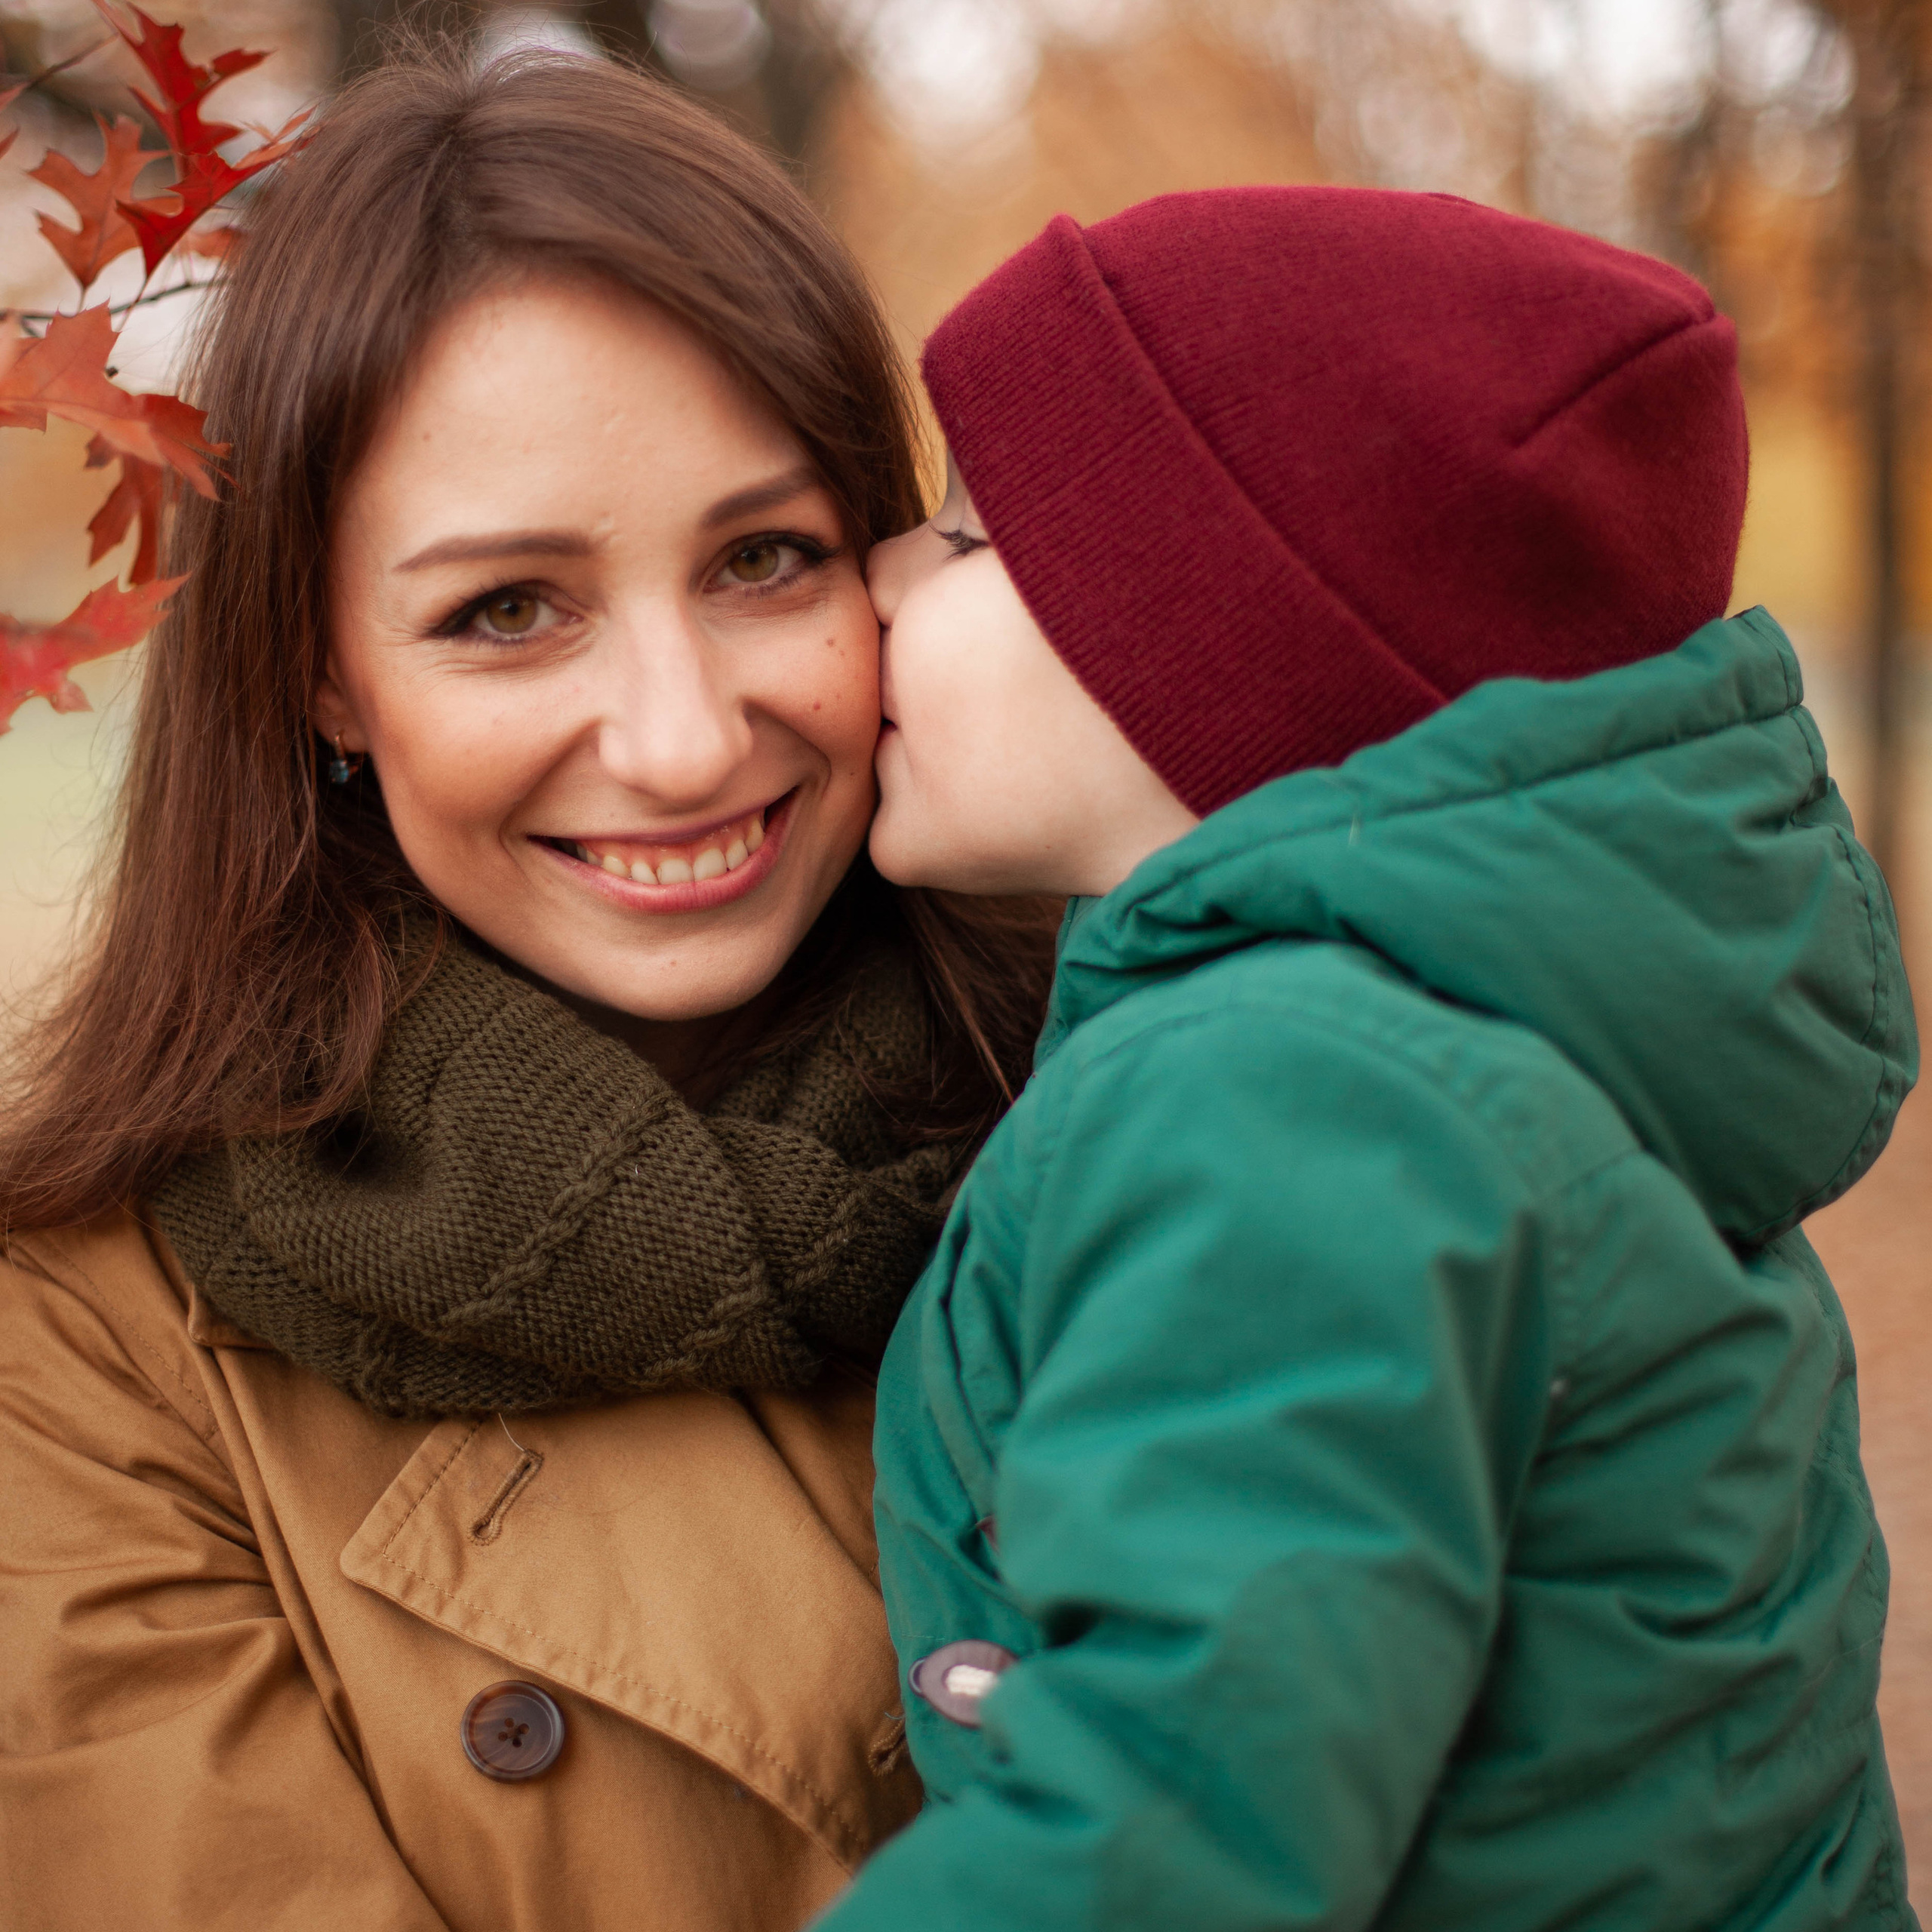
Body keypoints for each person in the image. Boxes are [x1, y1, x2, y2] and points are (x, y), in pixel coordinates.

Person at [0, 51, 1054, 1930]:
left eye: (763, 559)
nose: (677, 737)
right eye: (507, 608)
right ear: (320, 673)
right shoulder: (80, 1366)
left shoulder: (1176, 1103)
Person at [817, 188, 1921, 1930]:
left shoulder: (1277, 1096)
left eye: (961, 535)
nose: (871, 575)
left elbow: (1170, 1809)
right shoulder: (1458, 1056)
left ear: (1200, 648)